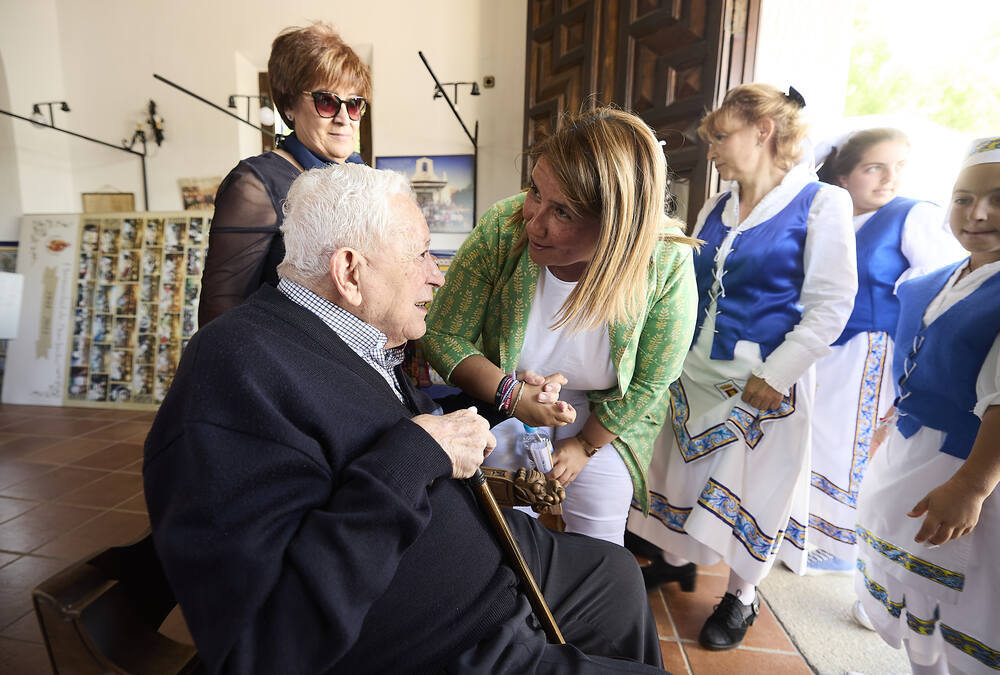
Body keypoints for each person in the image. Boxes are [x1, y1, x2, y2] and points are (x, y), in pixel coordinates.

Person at [144, 163, 667, 674]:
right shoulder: (236, 378)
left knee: (618, 575)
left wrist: (502, 401)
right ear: (350, 271)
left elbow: (379, 430)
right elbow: (269, 641)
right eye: (420, 254)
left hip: (489, 559)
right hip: (444, 640)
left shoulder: (342, 335)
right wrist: (414, 457)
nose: (437, 274)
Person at [626, 83, 857, 650]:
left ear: (764, 131)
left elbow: (832, 304)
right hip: (695, 368)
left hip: (763, 381)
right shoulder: (715, 206)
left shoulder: (822, 203)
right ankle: (677, 558)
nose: (712, 150)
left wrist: (777, 375)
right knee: (678, 474)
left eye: (720, 137)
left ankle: (742, 597)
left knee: (753, 488)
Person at [420, 107, 699, 546]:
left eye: (563, 212)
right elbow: (441, 332)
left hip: (606, 415)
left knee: (601, 530)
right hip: (504, 397)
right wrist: (511, 394)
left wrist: (584, 445)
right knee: (496, 533)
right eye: (535, 190)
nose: (533, 219)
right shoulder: (505, 226)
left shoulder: (664, 261)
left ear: (615, 228)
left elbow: (652, 379)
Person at [854, 137, 1000, 675]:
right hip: (914, 453)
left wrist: (972, 486)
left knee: (969, 603)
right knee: (915, 587)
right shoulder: (935, 281)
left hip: (970, 466)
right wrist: (891, 423)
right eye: (964, 198)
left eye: (998, 199)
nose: (978, 213)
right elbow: (917, 364)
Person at [806, 129, 963, 591]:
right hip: (826, 350)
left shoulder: (911, 216)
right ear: (844, 175)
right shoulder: (830, 218)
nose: (889, 178)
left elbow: (933, 290)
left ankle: (842, 545)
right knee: (823, 438)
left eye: (899, 166)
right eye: (875, 167)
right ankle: (813, 529)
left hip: (870, 352)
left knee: (854, 443)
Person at [198, 21, 369, 325]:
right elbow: (220, 316)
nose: (345, 118)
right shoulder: (255, 185)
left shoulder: (360, 176)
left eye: (355, 104)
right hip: (288, 364)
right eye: (327, 101)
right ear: (289, 105)